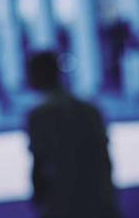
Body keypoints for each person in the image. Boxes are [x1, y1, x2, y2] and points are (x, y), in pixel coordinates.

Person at [25, 52, 120, 218]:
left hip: (62, 200)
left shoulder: (39, 115)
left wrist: (39, 200)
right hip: (96, 197)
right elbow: (104, 157)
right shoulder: (90, 109)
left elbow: (39, 164)